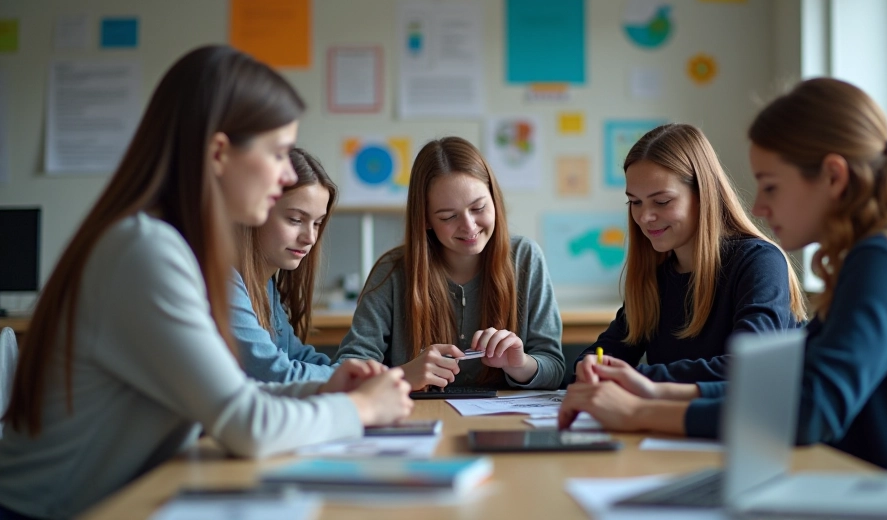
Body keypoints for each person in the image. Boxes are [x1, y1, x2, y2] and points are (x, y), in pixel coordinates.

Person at [559, 78, 887, 519]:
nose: (758, 206)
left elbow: (810, 410)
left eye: (771, 185)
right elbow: (786, 384)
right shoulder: (871, 258)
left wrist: (642, 411)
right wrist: (657, 390)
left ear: (833, 176)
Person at [0, 46, 413, 520]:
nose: (285, 175)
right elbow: (248, 425)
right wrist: (360, 409)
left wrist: (325, 391)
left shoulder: (172, 248)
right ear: (219, 153)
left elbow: (230, 398)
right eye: (278, 153)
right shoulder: (146, 251)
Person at [575, 124, 805, 384]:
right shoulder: (655, 278)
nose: (644, 217)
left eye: (662, 201)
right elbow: (604, 352)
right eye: (635, 202)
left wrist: (634, 377)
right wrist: (588, 367)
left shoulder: (760, 262)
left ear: (703, 195)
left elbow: (750, 366)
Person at [336, 136, 564, 390]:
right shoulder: (393, 271)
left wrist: (520, 364)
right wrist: (404, 376)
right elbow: (349, 368)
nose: (469, 226)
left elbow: (554, 369)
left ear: (495, 200)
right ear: (425, 220)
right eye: (448, 216)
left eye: (478, 208)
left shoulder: (525, 257)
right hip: (417, 412)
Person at [231, 147, 347, 382]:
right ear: (255, 212)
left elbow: (297, 355)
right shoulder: (226, 282)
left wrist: (370, 373)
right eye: (295, 220)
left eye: (317, 223)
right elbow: (275, 371)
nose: (310, 238)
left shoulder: (266, 285)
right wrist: (359, 379)